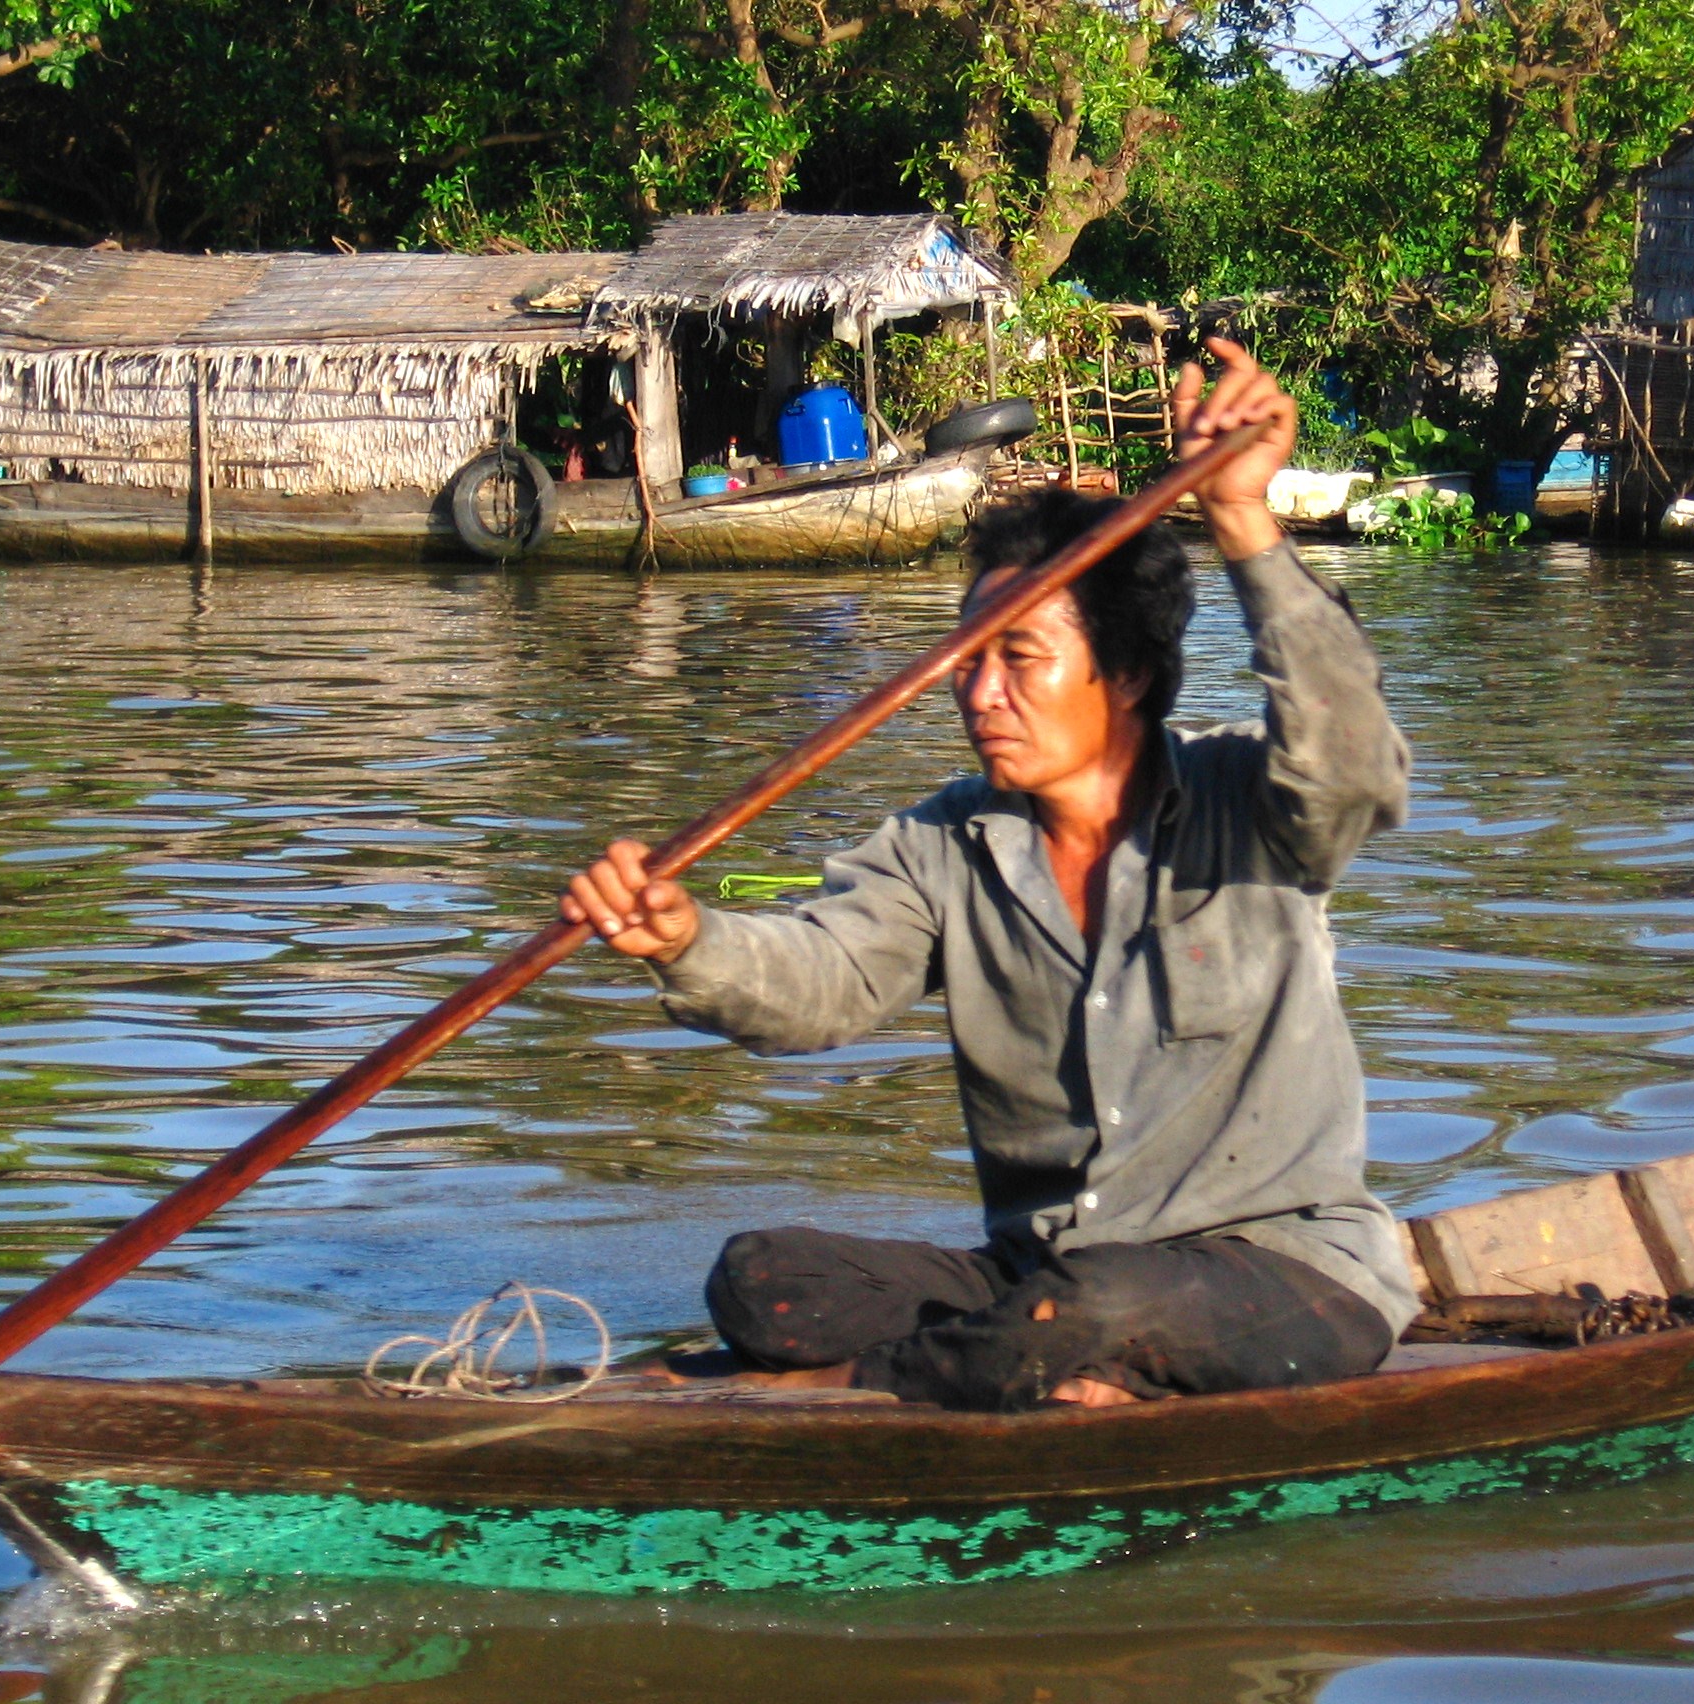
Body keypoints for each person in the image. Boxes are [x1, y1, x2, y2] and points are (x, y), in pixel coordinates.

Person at [561, 339, 1417, 1411]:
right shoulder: (945, 847)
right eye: (967, 662)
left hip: (1284, 1275)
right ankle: (1043, 1369)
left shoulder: (1253, 803)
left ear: (1129, 676)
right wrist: (685, 939)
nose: (981, 696)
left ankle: (880, 1389)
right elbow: (817, 981)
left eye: (1019, 660)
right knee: (764, 1283)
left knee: (1093, 1311)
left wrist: (1245, 520)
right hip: (1045, 1276)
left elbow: (1355, 760)